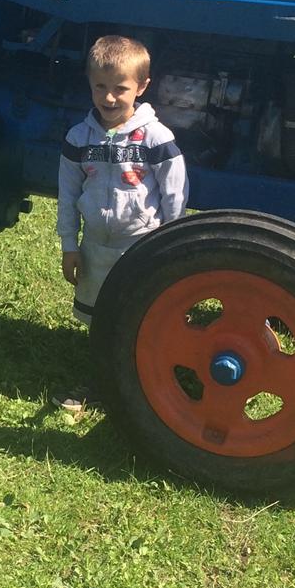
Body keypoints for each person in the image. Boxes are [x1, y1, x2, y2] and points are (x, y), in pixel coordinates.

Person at [55, 34, 189, 410]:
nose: (109, 97)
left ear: (142, 86)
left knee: (144, 314)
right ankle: (100, 383)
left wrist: (168, 244)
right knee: (101, 321)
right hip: (95, 246)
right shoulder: (78, 138)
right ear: (90, 84)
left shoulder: (157, 139)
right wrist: (70, 245)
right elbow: (67, 194)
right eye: (100, 87)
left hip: (141, 245)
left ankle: (159, 383)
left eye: (120, 88)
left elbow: (174, 193)